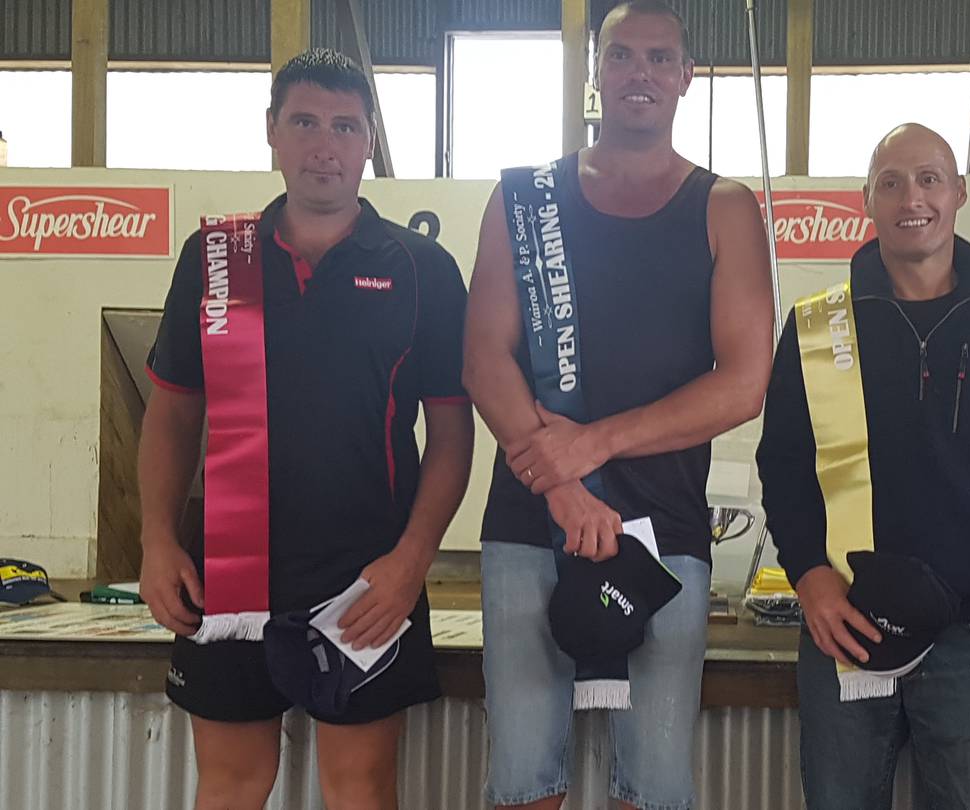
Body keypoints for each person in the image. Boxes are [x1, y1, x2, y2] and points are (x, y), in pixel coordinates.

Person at [139, 49, 474, 810]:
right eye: (306, 122)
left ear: (369, 140)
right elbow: (172, 414)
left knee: (358, 790)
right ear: (272, 132)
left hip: (367, 580)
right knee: (229, 784)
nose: (325, 144)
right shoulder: (217, 257)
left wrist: (412, 561)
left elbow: (453, 435)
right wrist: (157, 540)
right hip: (224, 573)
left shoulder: (422, 268)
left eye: (345, 127)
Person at [462, 2, 774, 808]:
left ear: (686, 78)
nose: (642, 74)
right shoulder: (523, 199)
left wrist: (594, 444)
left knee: (659, 784)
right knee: (524, 778)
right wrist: (561, 484)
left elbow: (744, 382)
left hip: (666, 536)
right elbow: (483, 358)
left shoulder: (726, 207)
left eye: (660, 59)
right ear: (596, 73)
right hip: (532, 519)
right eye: (624, 56)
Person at [755, 123, 970, 810]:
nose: (913, 197)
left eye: (930, 178)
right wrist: (810, 577)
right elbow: (783, 465)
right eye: (891, 182)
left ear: (959, 192)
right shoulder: (817, 327)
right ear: (867, 201)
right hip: (844, 618)